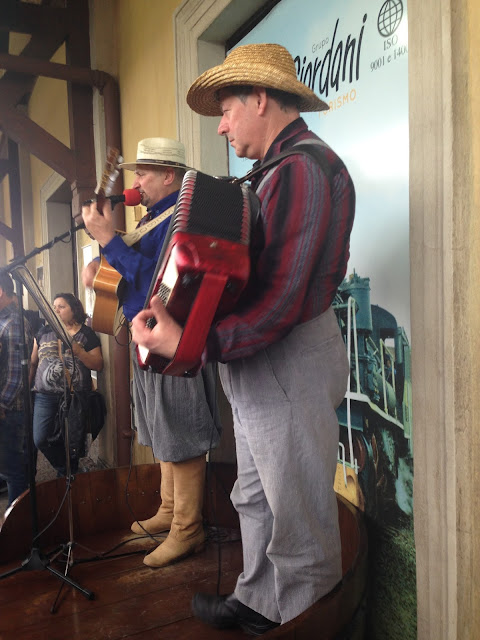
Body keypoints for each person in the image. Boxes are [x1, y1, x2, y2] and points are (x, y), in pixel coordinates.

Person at [131, 44, 356, 635]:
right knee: (255, 496)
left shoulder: (304, 169)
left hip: (287, 357)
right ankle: (259, 602)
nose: (223, 125)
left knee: (299, 520)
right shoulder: (276, 170)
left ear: (260, 98)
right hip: (262, 358)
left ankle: (304, 621)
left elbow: (281, 303)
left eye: (227, 110)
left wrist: (193, 341)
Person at [81, 138, 221, 568]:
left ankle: (187, 528)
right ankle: (168, 510)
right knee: (163, 427)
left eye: (143, 172)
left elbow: (158, 282)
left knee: (181, 428)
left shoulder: (182, 218)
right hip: (149, 341)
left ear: (169, 176)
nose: (136, 181)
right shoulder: (153, 219)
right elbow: (129, 273)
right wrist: (106, 250)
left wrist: (109, 239)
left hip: (171, 343)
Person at [30, 293, 104, 476]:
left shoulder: (86, 334)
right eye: (54, 307)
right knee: (40, 438)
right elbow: (33, 362)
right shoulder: (43, 332)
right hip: (44, 396)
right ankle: (68, 471)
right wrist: (27, 387)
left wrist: (78, 351)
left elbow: (98, 364)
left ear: (74, 309)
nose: (56, 310)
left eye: (61, 306)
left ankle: (67, 481)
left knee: (71, 440)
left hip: (75, 396)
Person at [0, 271, 33, 508]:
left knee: (13, 470)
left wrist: (1, 405)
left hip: (9, 411)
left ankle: (16, 529)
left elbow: (15, 377)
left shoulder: (14, 323)